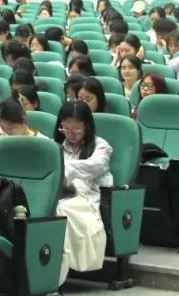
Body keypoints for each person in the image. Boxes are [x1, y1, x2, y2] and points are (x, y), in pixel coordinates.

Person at [54, 101, 111, 284]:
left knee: (59, 211)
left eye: (77, 129)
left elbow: (95, 166)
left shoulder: (101, 147)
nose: (71, 134)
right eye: (65, 128)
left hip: (86, 198)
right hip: (60, 196)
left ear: (87, 126)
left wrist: (61, 169)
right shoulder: (55, 146)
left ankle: (55, 278)